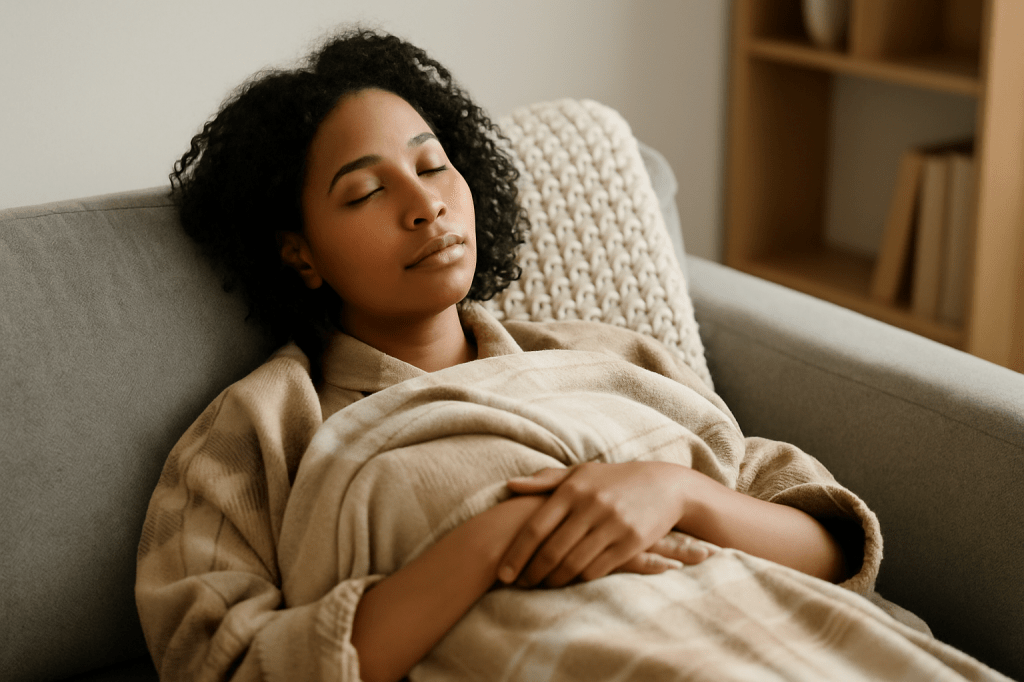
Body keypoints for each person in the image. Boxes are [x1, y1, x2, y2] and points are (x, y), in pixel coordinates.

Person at [135, 28, 889, 682]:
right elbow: (221, 663)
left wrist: (677, 493)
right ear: (299, 254)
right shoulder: (257, 432)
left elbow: (830, 546)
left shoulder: (615, 357)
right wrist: (496, 539)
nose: (425, 205)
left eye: (433, 166)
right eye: (365, 192)